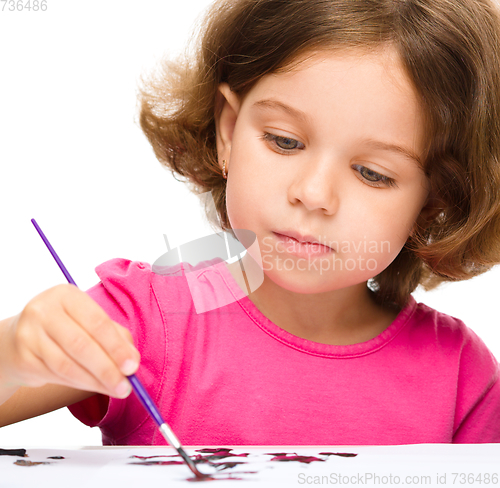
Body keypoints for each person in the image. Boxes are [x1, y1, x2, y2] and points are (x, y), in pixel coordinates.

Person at [1, 0, 500, 445]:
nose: (313, 193)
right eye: (285, 141)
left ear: (436, 201)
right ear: (228, 131)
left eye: (372, 173)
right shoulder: (143, 323)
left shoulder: (462, 378)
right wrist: (16, 353)